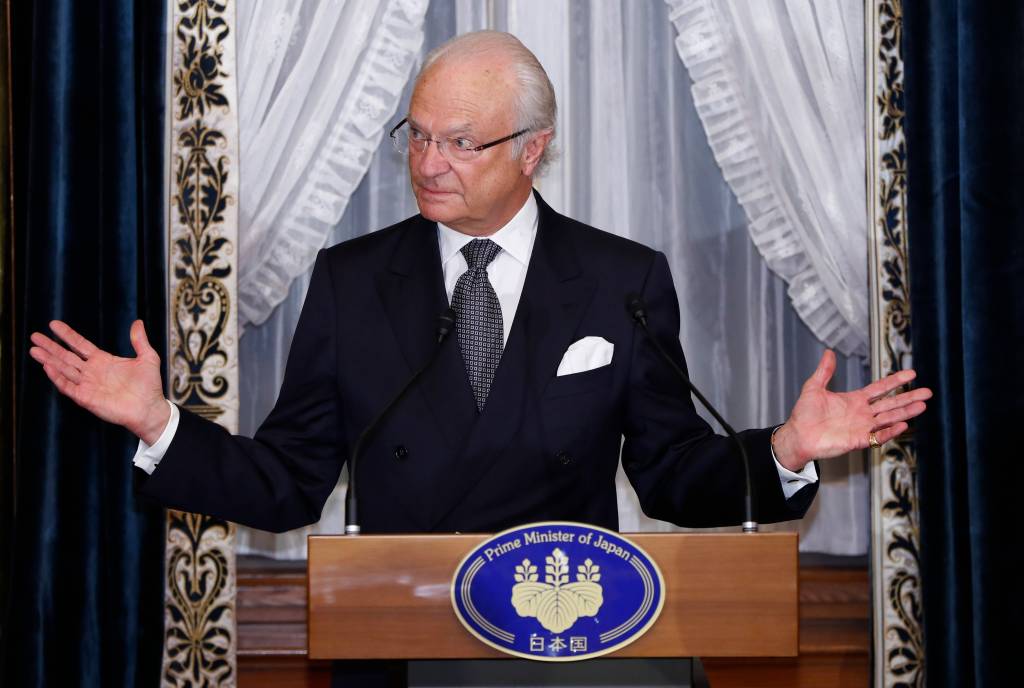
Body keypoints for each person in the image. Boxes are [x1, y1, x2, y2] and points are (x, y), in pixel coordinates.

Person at [29, 30, 930, 685]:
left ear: (533, 149)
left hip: (569, 650)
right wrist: (160, 424)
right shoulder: (352, 281)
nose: (429, 162)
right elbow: (289, 482)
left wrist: (786, 451)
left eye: (460, 142)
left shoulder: (620, 281)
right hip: (398, 646)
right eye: (417, 134)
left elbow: (671, 474)